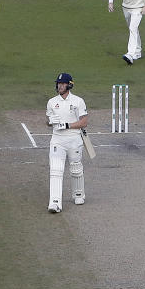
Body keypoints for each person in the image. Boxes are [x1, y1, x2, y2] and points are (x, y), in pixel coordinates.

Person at [45, 73, 89, 213]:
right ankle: (55, 202)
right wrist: (50, 122)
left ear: (69, 85)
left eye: (63, 83)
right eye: (58, 83)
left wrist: (67, 125)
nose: (60, 86)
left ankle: (78, 194)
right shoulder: (52, 102)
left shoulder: (78, 101)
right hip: (57, 140)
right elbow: (47, 121)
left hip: (74, 139)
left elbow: (84, 122)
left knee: (76, 169)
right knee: (56, 170)